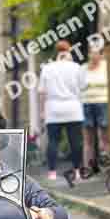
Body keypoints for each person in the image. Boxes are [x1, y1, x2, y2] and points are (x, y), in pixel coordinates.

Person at [38, 40, 87, 182]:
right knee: (76, 142)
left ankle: (52, 172)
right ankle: (77, 171)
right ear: (69, 51)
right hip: (73, 109)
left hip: (53, 109)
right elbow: (83, 87)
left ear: (56, 51)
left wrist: (42, 111)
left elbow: (42, 92)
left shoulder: (47, 68)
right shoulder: (76, 67)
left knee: (53, 141)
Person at [81, 45, 109, 169]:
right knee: (88, 139)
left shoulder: (106, 67)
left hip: (103, 102)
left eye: (97, 53)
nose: (94, 56)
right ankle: (88, 167)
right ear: (88, 55)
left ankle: (109, 166)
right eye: (92, 53)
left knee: (105, 137)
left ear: (101, 55)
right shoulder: (82, 69)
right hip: (87, 104)